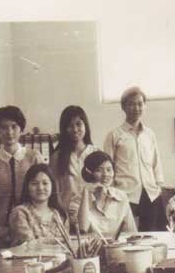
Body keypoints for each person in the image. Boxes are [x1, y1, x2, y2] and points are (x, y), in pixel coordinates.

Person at [0, 106, 44, 247]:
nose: (9, 132)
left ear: (21, 129)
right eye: (4, 127)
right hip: (1, 232)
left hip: (32, 228)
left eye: (14, 126)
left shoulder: (34, 157)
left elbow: (47, 191)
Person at [104, 86, 165, 231]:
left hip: (151, 193)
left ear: (144, 106)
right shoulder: (114, 135)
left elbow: (156, 162)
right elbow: (107, 166)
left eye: (140, 104)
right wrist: (111, 191)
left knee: (154, 236)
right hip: (126, 194)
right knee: (127, 236)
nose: (136, 108)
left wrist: (159, 185)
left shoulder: (149, 134)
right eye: (131, 104)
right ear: (124, 107)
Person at [69, 151, 136, 238]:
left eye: (109, 169)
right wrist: (86, 191)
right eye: (99, 170)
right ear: (89, 173)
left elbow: (131, 232)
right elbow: (83, 229)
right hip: (89, 249)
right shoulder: (77, 201)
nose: (106, 175)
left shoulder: (121, 197)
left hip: (116, 247)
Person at [8, 163, 70, 246]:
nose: (40, 188)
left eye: (45, 183)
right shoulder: (20, 213)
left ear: (53, 185)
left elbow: (67, 245)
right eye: (34, 183)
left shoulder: (58, 214)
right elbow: (27, 246)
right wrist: (57, 242)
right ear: (27, 186)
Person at [49, 105, 96, 214]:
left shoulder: (96, 152)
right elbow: (54, 191)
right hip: (65, 213)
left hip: (92, 213)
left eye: (78, 124)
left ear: (85, 125)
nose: (75, 129)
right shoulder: (57, 156)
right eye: (69, 126)